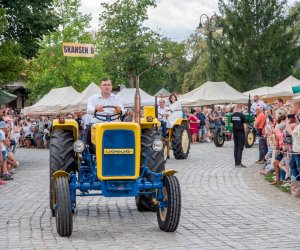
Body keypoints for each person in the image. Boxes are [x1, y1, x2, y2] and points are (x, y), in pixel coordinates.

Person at [86, 78, 124, 150]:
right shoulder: (93, 98)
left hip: (113, 121)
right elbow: (88, 110)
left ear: (111, 87)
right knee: (89, 128)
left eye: (109, 85)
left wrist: (120, 110)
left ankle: (123, 148)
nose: (107, 87)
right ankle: (87, 149)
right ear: (100, 87)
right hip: (98, 121)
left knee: (125, 130)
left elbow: (123, 110)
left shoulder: (116, 98)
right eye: (104, 85)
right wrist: (95, 109)